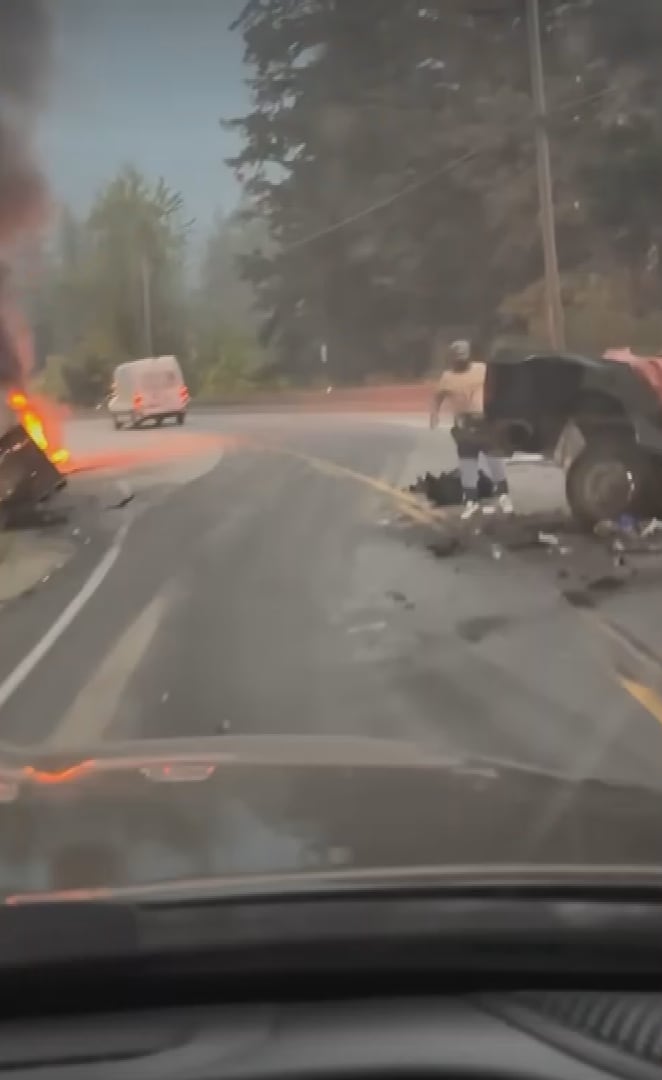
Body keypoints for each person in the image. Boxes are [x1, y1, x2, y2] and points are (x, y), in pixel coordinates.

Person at [429, 339, 513, 517]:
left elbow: (500, 386)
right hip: (463, 425)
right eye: (457, 355)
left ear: (468, 355)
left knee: (494, 460)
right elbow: (438, 396)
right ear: (452, 357)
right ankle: (471, 500)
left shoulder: (482, 369)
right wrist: (434, 415)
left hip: (485, 422)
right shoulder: (447, 377)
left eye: (463, 354)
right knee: (468, 463)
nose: (460, 358)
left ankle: (504, 496)